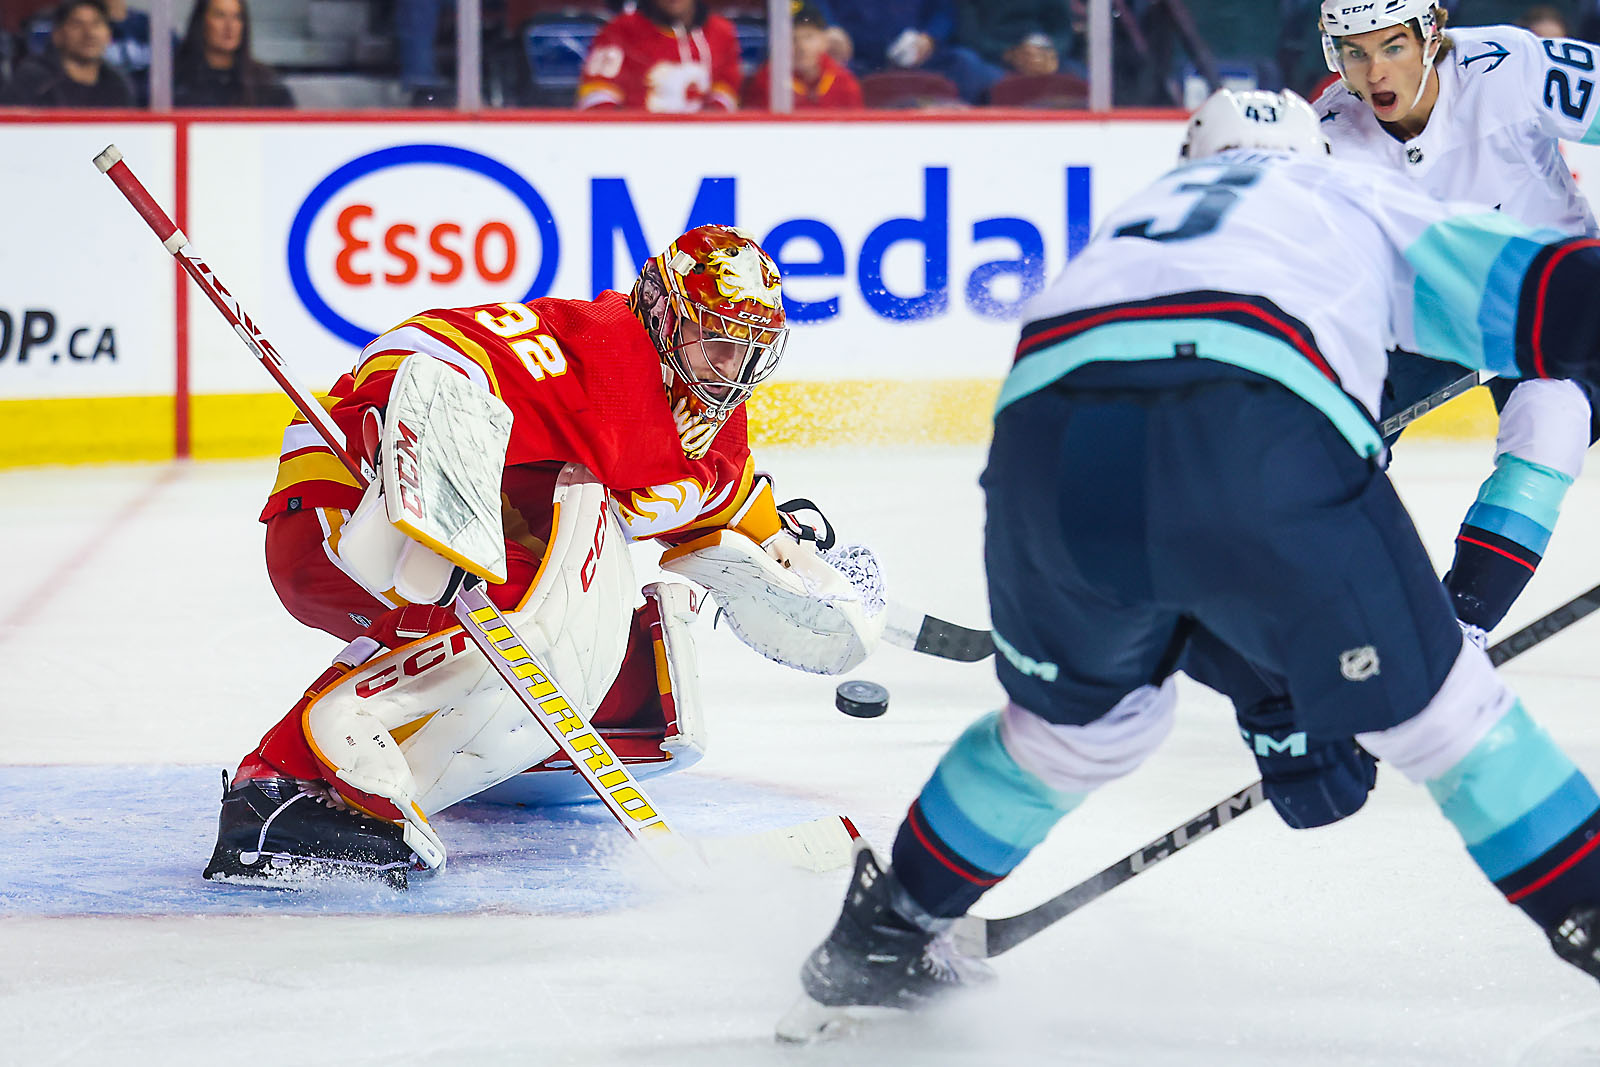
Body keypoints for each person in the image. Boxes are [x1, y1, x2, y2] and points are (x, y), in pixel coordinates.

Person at [777, 90, 1600, 1040]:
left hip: (1045, 455)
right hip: (1254, 429)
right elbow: (1556, 295)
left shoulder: (1130, 227)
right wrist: (1294, 698)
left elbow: (1166, 517)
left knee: (1069, 738)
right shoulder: (1350, 194)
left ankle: (883, 935)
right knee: (1447, 719)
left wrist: (1274, 699)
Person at [203, 224, 888, 887]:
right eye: (715, 342)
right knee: (539, 596)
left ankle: (441, 762)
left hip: (429, 548)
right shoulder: (599, 356)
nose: (730, 369)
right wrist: (431, 469)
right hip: (352, 506)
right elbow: (416, 349)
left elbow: (721, 495)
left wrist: (785, 549)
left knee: (572, 599)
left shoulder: (693, 412)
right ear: (662, 315)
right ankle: (279, 787)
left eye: (747, 351)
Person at [819, 0, 996, 105]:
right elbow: (815, 5)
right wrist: (829, 26)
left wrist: (930, 37)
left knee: (966, 64)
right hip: (856, 57)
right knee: (827, 74)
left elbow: (945, 10)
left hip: (920, 56)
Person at [576, 0, 740, 112]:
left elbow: (727, 90)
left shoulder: (721, 32)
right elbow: (597, 93)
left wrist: (708, 128)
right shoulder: (620, 30)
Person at [0, 0, 131, 107]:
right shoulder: (33, 80)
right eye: (77, 24)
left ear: (109, 35)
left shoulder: (117, 84)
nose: (89, 34)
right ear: (57, 35)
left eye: (96, 24)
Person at [173, 0, 292, 108]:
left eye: (237, 17)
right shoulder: (176, 80)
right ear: (201, 22)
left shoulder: (267, 84)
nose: (230, 26)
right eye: (220, 16)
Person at [743, 2, 863, 110]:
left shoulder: (844, 82)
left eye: (808, 37)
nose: (801, 47)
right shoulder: (766, 81)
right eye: (792, 38)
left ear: (824, 40)